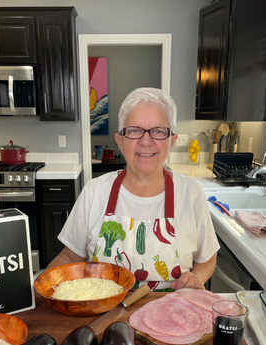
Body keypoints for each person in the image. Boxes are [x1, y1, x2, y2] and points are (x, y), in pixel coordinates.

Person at [48, 87, 218, 290]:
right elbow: (69, 256)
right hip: (103, 315)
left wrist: (196, 278)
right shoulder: (94, 192)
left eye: (158, 131)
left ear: (171, 140)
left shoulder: (191, 193)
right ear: (120, 141)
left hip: (172, 312)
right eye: (135, 131)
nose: (146, 142)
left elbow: (207, 258)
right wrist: (41, 291)